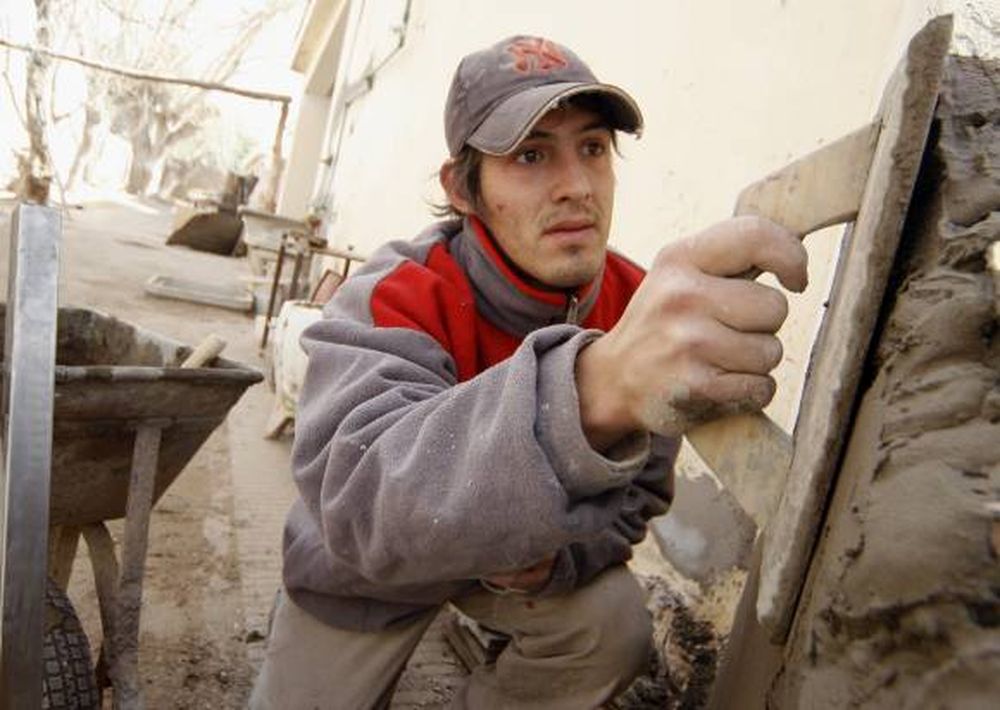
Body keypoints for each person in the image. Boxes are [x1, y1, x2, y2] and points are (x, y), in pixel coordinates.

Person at [250, 35, 807, 709]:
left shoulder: (637, 304)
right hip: (369, 573)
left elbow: (638, 497)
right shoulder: (401, 292)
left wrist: (561, 562)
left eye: (593, 149)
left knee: (612, 627)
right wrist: (595, 386)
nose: (575, 187)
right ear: (463, 188)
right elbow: (360, 501)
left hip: (514, 566)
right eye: (531, 155)